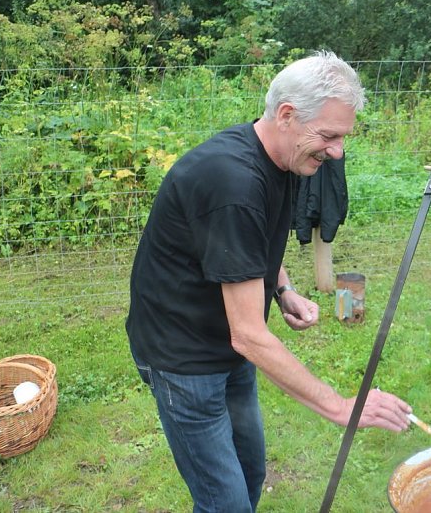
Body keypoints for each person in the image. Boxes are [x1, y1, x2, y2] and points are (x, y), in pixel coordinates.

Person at [126, 51, 411, 512]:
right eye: (330, 135)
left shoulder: (286, 159)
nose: (337, 151)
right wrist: (342, 406)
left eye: (343, 136)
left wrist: (282, 289)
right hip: (182, 357)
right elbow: (250, 337)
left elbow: (254, 243)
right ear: (287, 115)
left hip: (228, 349)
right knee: (226, 503)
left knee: (251, 471)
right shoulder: (232, 182)